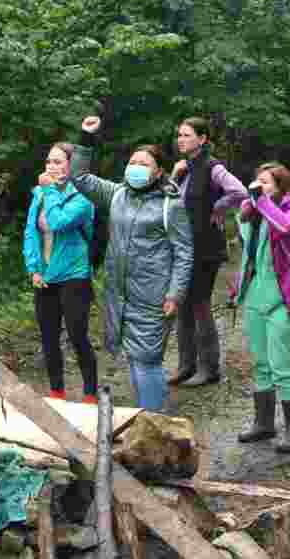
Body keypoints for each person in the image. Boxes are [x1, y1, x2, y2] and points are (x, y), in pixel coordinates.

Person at [69, 119, 194, 412]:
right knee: (136, 360)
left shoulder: (170, 205)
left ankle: (154, 423)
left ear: (159, 171)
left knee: (147, 360)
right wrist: (86, 138)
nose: (135, 166)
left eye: (144, 163)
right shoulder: (117, 195)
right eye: (132, 161)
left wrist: (175, 294)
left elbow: (184, 252)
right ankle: (149, 421)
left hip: (154, 297)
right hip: (120, 296)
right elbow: (79, 176)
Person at [233, 163, 290, 453]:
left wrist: (263, 204)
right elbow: (247, 255)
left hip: (283, 297)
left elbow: (289, 227)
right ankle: (264, 423)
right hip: (255, 295)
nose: (259, 187)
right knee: (260, 362)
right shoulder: (251, 214)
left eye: (266, 183)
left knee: (281, 364)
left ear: (280, 187)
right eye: (257, 181)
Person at [167, 117, 247, 388]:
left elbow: (239, 192)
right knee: (183, 305)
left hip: (205, 248)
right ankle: (185, 365)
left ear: (202, 140)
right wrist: (175, 175)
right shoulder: (183, 168)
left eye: (187, 135)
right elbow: (167, 200)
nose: (181, 139)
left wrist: (218, 208)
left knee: (200, 304)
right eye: (179, 134)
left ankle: (208, 368)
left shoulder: (213, 167)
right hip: (182, 248)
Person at [24, 123, 99, 403]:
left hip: (74, 275)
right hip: (45, 275)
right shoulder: (40, 195)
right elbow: (31, 232)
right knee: (48, 339)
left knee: (78, 336)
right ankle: (56, 392)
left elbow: (58, 222)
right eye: (48, 161)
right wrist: (33, 268)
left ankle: (90, 394)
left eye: (57, 162)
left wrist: (51, 191)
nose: (51, 166)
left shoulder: (82, 198)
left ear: (71, 166)